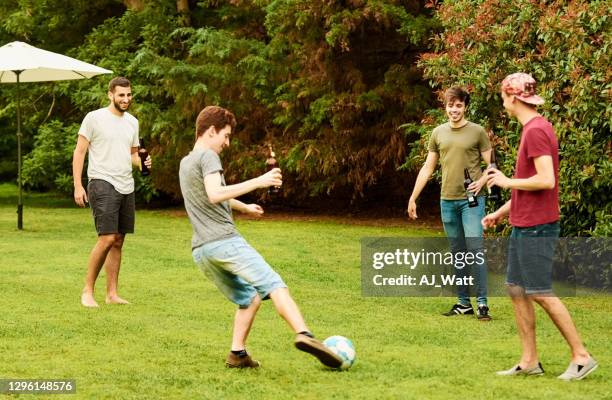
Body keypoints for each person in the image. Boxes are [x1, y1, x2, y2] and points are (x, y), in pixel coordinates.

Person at [179, 105, 343, 369]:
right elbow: (213, 193)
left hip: (201, 251)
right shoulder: (208, 157)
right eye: (226, 135)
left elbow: (211, 195)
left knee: (249, 298)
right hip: (224, 242)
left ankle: (238, 354)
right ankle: (304, 334)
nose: (227, 143)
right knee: (274, 284)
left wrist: (244, 207)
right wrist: (260, 181)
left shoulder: (186, 162)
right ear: (211, 131)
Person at [483, 72, 597, 380]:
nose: (503, 104)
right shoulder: (534, 128)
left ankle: (581, 355)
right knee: (516, 288)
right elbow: (529, 186)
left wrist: (505, 182)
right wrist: (502, 213)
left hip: (537, 227)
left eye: (504, 98)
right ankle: (530, 360)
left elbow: (546, 180)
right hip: (524, 223)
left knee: (540, 292)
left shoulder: (535, 131)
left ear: (514, 98)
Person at [407, 87, 492, 320]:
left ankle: (482, 304)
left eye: (459, 106)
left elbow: (492, 165)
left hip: (471, 202)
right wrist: (414, 197)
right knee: (458, 253)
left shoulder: (477, 132)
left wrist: (483, 180)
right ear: (445, 107)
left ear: (465, 107)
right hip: (448, 201)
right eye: (450, 105)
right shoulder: (438, 133)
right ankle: (463, 303)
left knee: (474, 251)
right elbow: (428, 167)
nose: (454, 110)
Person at [72, 77, 151, 308]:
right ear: (110, 95)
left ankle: (112, 294)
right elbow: (79, 153)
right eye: (121, 95)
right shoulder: (94, 118)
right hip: (102, 181)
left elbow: (134, 154)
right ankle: (87, 291)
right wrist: (78, 185)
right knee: (106, 237)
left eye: (129, 95)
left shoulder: (132, 123)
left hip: (126, 184)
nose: (126, 99)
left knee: (118, 240)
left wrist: (143, 163)